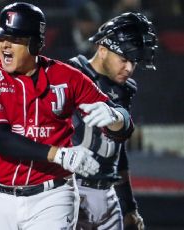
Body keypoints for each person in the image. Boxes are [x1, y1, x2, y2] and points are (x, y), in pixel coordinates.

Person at [0, 2, 134, 230]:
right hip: (0, 199)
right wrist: (59, 154)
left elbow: (124, 125)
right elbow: (0, 139)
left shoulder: (66, 77)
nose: (5, 44)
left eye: (16, 39)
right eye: (2, 37)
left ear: (36, 44)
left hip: (53, 196)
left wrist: (117, 118)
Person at [67, 12, 157, 230]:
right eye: (124, 59)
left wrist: (128, 207)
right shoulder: (70, 74)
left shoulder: (124, 89)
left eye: (134, 61)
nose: (129, 68)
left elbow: (118, 152)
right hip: (70, 190)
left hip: (108, 194)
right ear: (102, 49)